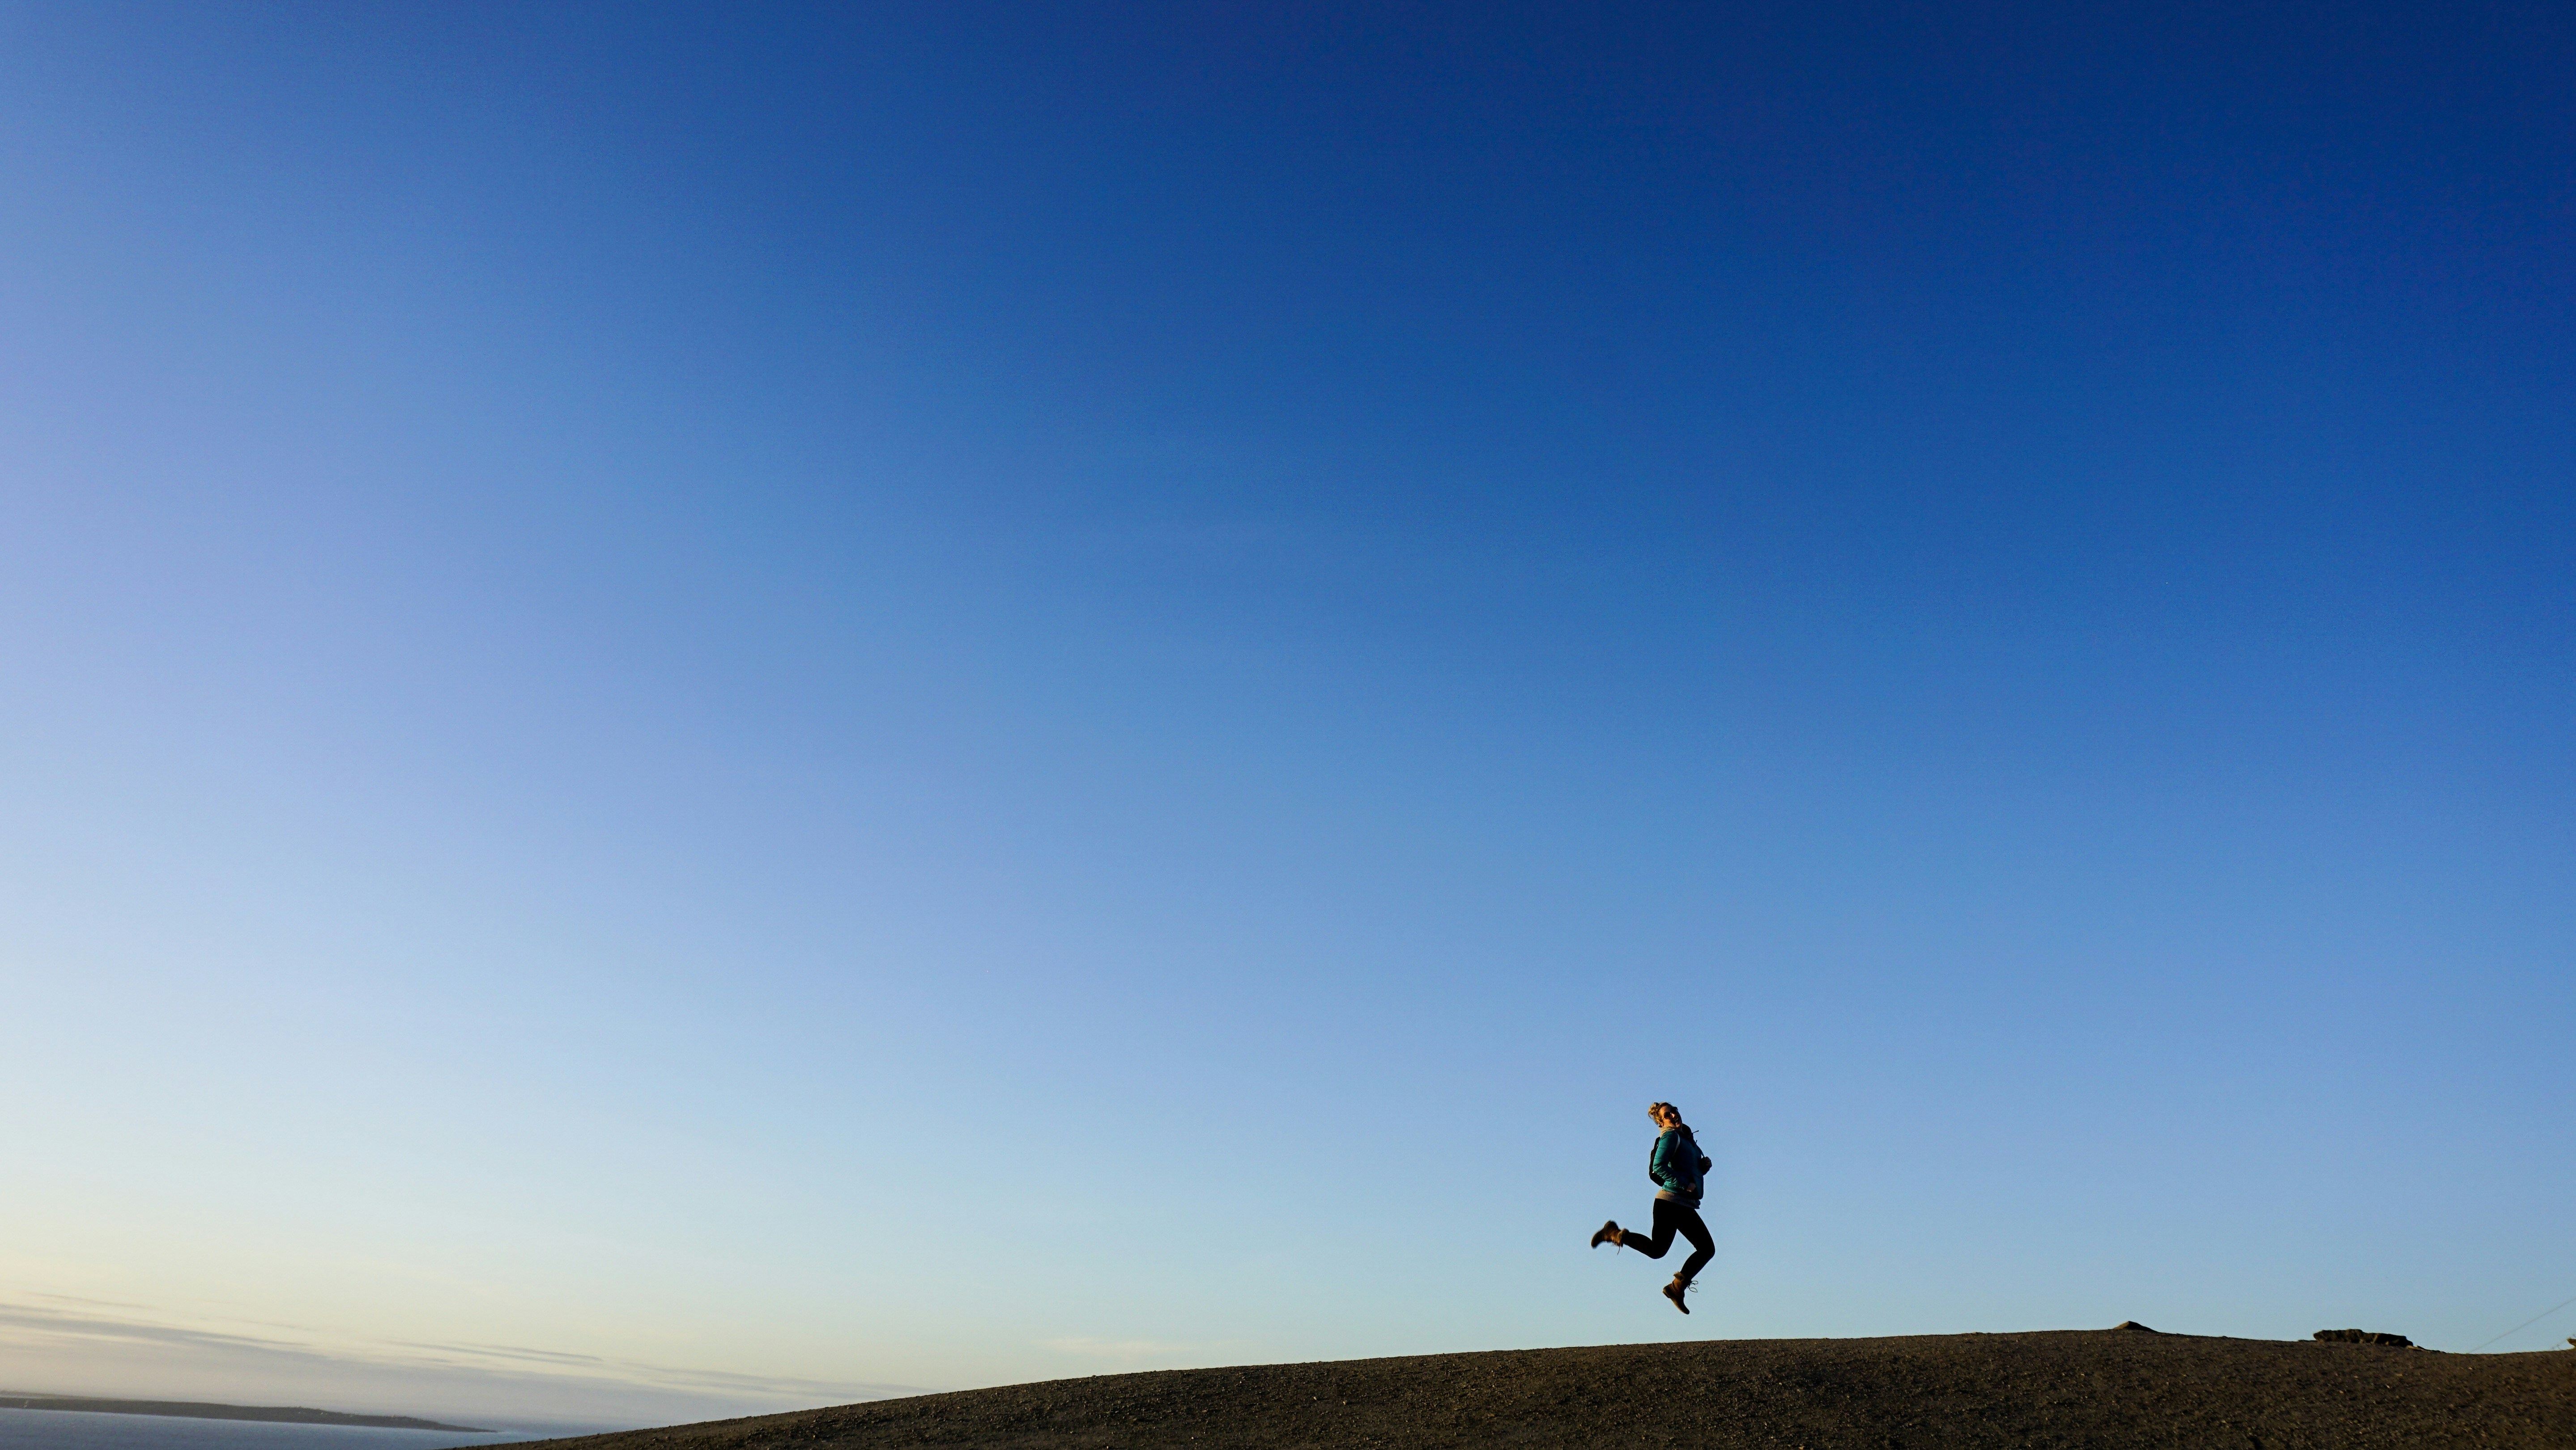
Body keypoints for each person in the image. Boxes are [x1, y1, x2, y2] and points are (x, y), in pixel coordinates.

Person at [1588, 1101, 1714, 1313]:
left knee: (1684, 1250)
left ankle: (1676, 1288)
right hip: (1670, 1203)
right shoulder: (1670, 1137)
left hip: (1683, 1203)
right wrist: (1686, 1184)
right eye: (1667, 1115)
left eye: (1674, 1111)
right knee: (1678, 1250)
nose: (1673, 1115)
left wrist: (1702, 1169)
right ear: (1661, 1122)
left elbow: (1684, 1170)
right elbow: (1658, 1167)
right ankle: (1614, 1234)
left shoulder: (1686, 1139)